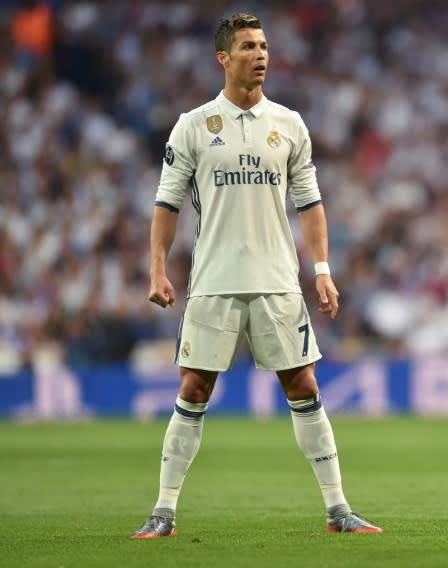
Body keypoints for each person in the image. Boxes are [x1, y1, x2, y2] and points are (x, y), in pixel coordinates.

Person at [131, 12, 382, 538]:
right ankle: (163, 512)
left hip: (277, 281)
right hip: (215, 281)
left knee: (304, 383)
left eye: (264, 45)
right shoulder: (193, 125)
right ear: (224, 58)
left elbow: (310, 203)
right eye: (248, 46)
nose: (261, 54)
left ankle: (338, 510)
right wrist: (156, 268)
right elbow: (166, 203)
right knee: (194, 388)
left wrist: (322, 270)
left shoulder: (289, 124)